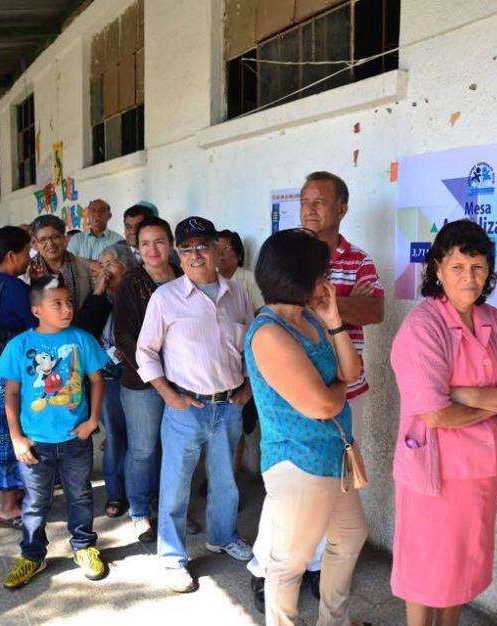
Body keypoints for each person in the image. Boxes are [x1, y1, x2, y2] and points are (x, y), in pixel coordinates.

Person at [250, 171, 385, 602]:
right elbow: (327, 400)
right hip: (301, 453)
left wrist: (330, 316)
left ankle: (333, 615)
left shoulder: (311, 315)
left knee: (348, 536)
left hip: (332, 446)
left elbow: (354, 361)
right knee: (289, 556)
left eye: (319, 201)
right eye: (304, 201)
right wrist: (339, 388)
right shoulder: (270, 330)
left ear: (341, 208)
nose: (309, 208)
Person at [390, 220, 497, 626]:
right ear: (437, 269)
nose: (469, 277)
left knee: (462, 566)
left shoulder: (492, 319)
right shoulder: (423, 326)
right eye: (457, 267)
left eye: (478, 267)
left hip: (482, 470)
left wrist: (465, 395)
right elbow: (436, 414)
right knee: (425, 567)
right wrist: (495, 405)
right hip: (436, 471)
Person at [136, 216, 254, 593]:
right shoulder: (165, 298)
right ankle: (172, 558)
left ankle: (222, 536)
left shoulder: (236, 293)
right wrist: (169, 395)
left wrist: (248, 386)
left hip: (229, 406)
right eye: (186, 249)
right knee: (175, 486)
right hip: (187, 408)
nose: (194, 255)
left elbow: (251, 344)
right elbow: (145, 351)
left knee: (225, 482)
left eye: (202, 246)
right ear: (178, 253)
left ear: (218, 250)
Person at [0, 275, 110, 590]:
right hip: (36, 443)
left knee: (81, 494)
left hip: (76, 438)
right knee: (35, 502)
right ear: (37, 311)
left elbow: (98, 380)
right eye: (56, 304)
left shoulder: (82, 339)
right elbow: (12, 395)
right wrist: (17, 437)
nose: (66, 309)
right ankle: (33, 554)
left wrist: (93, 420)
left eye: (68, 302)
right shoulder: (19, 346)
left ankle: (84, 546)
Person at [113, 217, 182, 538]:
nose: (152, 250)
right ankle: (140, 509)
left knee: (175, 448)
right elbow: (124, 336)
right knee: (143, 448)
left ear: (170, 244)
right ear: (136, 248)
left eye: (159, 242)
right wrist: (153, 371)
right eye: (145, 244)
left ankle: (168, 508)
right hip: (142, 382)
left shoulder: (184, 276)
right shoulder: (132, 281)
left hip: (184, 379)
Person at [72, 243, 136, 518]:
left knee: (142, 440)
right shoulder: (98, 299)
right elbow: (84, 332)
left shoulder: (137, 296)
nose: (105, 269)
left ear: (127, 268)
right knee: (115, 437)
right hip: (108, 379)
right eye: (102, 263)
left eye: (111, 263)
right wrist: (98, 291)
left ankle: (141, 491)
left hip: (137, 378)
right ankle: (116, 492)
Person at [0, 227, 36, 531]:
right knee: (13, 437)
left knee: (2, 436)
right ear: (12, 255)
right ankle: (9, 509)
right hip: (15, 376)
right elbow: (37, 320)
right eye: (27, 251)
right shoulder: (13, 287)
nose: (29, 258)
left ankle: (11, 500)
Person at [216, 229, 263, 479]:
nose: (221, 254)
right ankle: (220, 478)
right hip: (218, 365)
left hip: (245, 360)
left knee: (240, 423)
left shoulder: (247, 279)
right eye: (217, 248)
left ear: (239, 254)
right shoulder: (207, 280)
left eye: (227, 249)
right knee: (220, 426)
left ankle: (230, 479)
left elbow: (262, 313)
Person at [28, 215, 94, 313]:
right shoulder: (27, 271)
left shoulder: (84, 267)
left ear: (64, 239)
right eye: (43, 239)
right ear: (34, 243)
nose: (50, 244)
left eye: (55, 237)